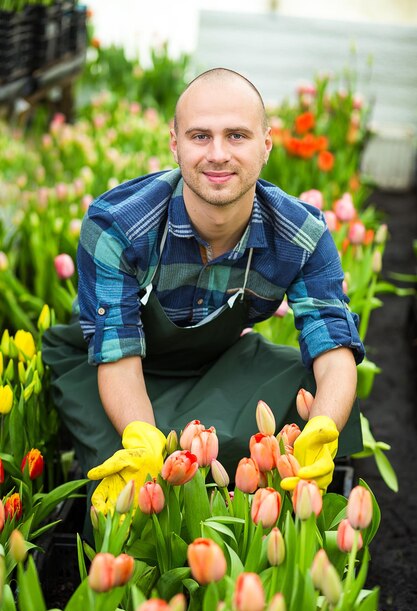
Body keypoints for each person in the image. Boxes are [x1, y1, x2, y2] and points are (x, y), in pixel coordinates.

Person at [43, 68, 365, 515]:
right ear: (175, 144)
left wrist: (324, 426)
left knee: (325, 386)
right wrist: (144, 440)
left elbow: (332, 342)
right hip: (113, 371)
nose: (217, 154)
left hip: (216, 365)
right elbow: (116, 355)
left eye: (236, 136)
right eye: (200, 136)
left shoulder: (300, 234)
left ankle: (249, 493)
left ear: (265, 145)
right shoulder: (118, 226)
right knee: (131, 485)